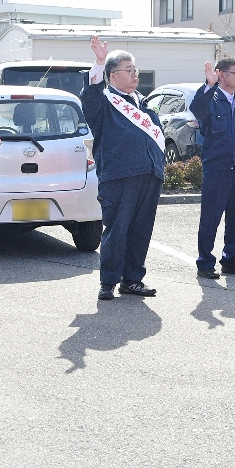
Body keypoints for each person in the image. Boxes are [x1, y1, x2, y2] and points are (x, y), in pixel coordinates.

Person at [81, 36, 163, 301]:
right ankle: (108, 282)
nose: (135, 74)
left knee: (141, 230)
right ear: (112, 76)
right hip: (119, 176)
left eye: (135, 69)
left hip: (149, 175)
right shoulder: (103, 102)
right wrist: (99, 61)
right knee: (116, 230)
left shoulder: (143, 102)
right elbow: (90, 92)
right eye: (129, 70)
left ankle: (133, 279)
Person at [190, 56, 235, 279]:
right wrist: (209, 85)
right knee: (210, 218)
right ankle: (205, 262)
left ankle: (230, 259)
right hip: (217, 171)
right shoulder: (211, 100)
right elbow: (197, 109)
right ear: (221, 74)